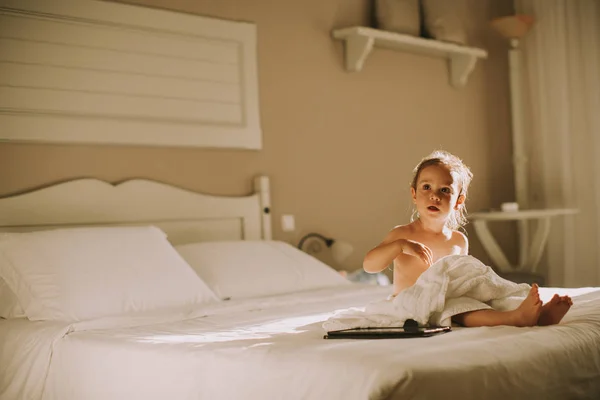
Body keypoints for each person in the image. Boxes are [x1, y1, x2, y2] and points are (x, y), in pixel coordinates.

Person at [363, 150, 572, 327]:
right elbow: (369, 266)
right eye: (426, 187)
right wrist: (399, 246)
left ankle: (535, 314)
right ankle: (514, 318)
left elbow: (465, 280)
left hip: (448, 299)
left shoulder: (458, 240)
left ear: (458, 201)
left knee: (485, 301)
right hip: (410, 304)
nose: (434, 196)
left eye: (444, 190)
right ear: (414, 194)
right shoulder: (402, 235)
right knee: (457, 309)